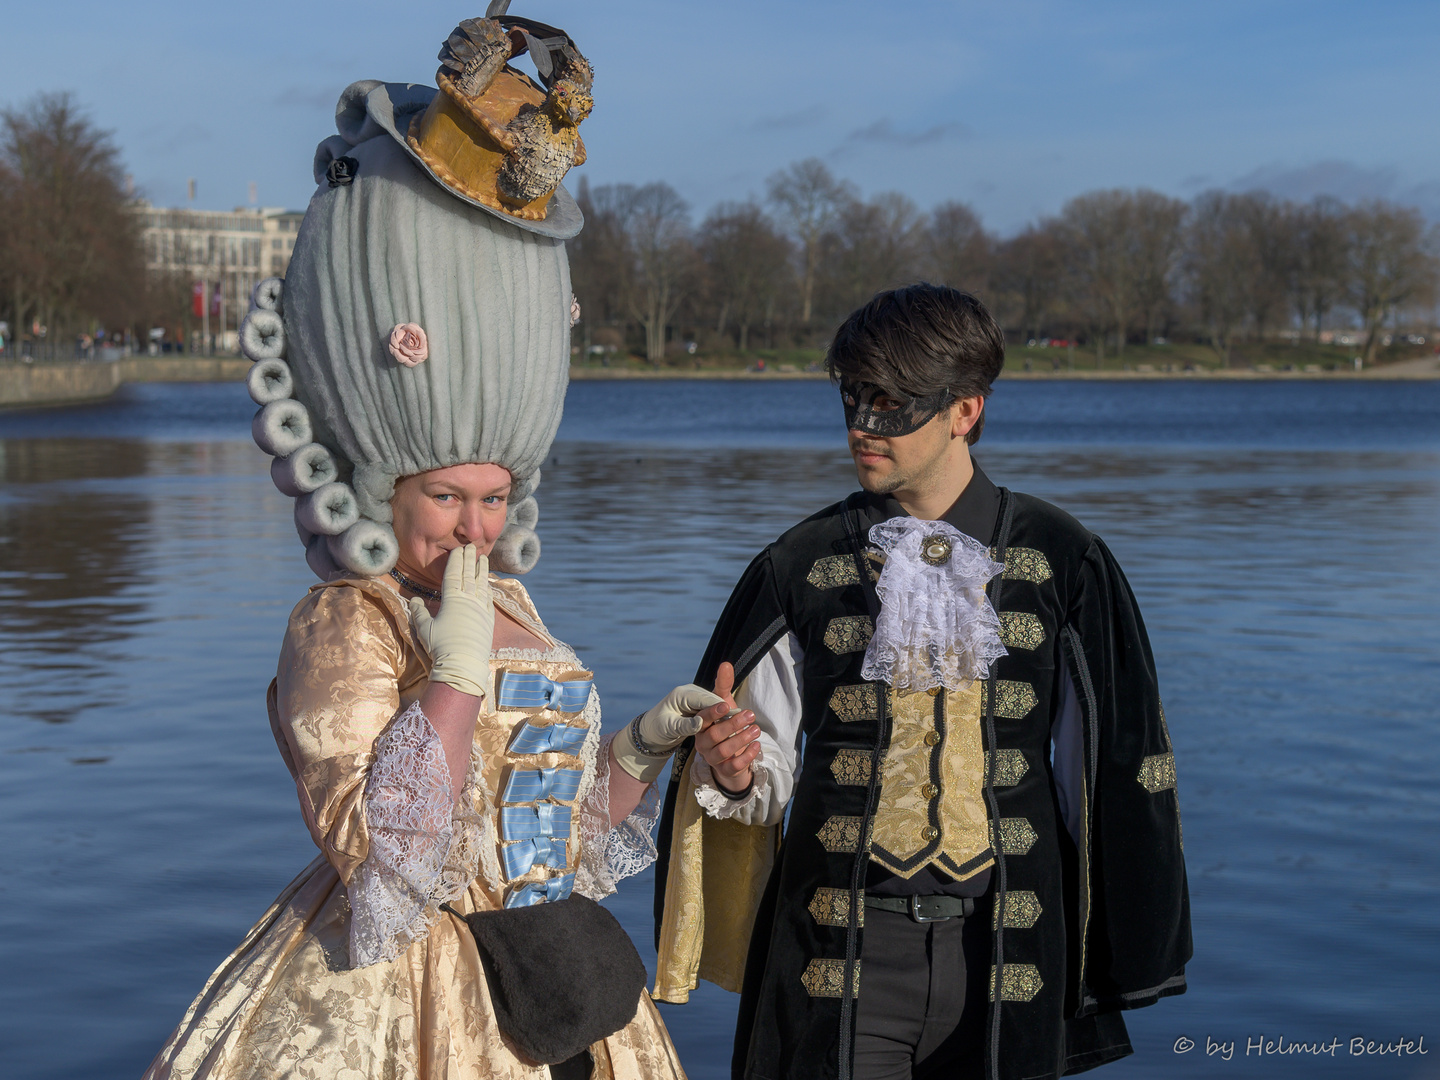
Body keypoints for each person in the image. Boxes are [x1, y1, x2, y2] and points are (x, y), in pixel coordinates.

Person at [144, 13, 725, 1080]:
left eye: (495, 498)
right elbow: (390, 857)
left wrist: (641, 753)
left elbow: (550, 845)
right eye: (447, 497)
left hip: (556, 982)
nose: (474, 528)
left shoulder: (514, 607)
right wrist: (451, 677)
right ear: (381, 483)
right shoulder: (345, 619)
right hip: (414, 995)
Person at [651, 284, 1191, 1080]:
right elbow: (754, 762)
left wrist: (1118, 948)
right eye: (853, 396)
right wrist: (730, 773)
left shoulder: (1061, 559)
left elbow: (1105, 769)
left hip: (1010, 951)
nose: (863, 425)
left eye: (893, 403)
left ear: (964, 410)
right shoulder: (799, 565)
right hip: (839, 954)